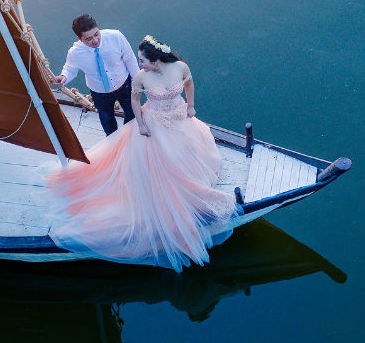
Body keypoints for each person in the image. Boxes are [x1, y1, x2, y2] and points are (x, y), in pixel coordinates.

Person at [47, 34, 240, 272]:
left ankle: (192, 177)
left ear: (156, 59)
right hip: (154, 123)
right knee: (164, 162)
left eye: (143, 60)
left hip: (179, 118)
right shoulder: (141, 77)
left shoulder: (180, 67)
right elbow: (135, 101)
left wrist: (190, 105)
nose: (140, 64)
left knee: (190, 150)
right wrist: (140, 124)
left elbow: (189, 84)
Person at [55, 14, 139, 135]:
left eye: (96, 34)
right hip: (99, 92)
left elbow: (130, 59)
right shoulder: (75, 53)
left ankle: (129, 137)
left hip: (124, 84)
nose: (95, 40)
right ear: (80, 38)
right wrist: (64, 77)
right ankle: (114, 141)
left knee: (132, 114)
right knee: (107, 120)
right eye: (89, 39)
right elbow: (70, 68)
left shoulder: (116, 37)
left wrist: (137, 82)